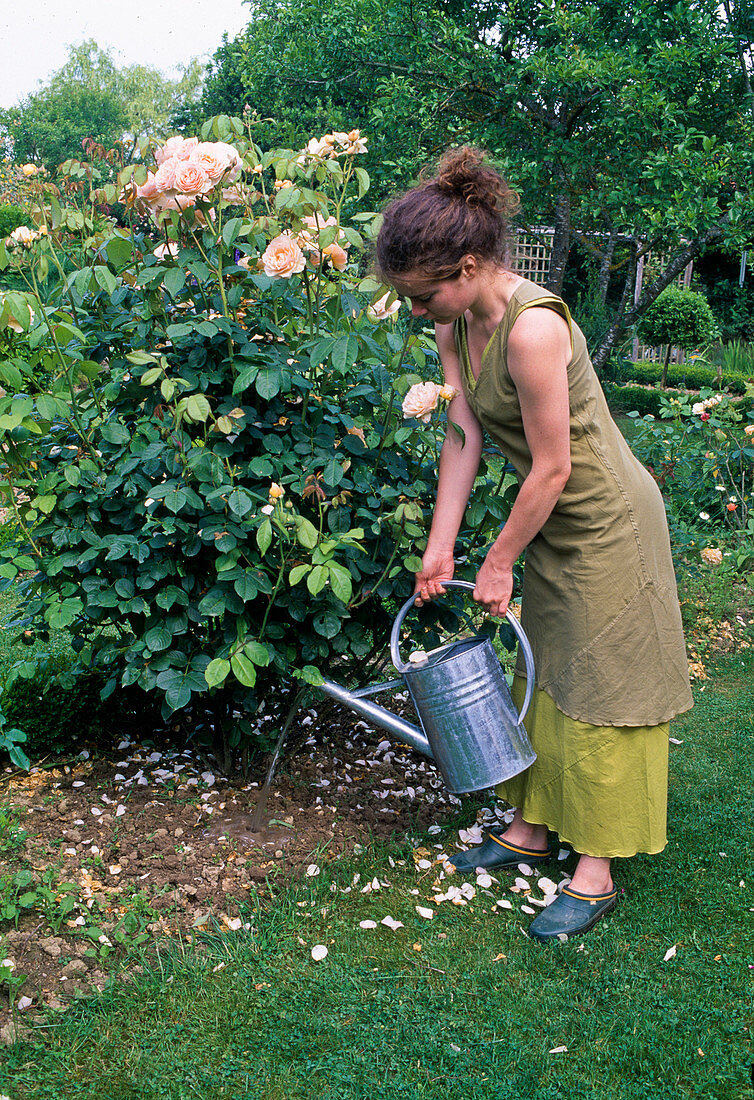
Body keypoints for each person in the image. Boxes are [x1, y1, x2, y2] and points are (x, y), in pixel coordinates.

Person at [376, 147, 693, 942]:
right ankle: (534, 827)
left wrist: (498, 558)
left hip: (605, 520)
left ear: (472, 263)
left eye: (424, 294)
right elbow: (462, 432)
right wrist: (440, 546)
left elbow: (553, 466)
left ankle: (598, 868)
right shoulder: (457, 322)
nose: (419, 311)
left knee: (604, 684)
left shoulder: (534, 329)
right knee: (546, 670)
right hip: (545, 516)